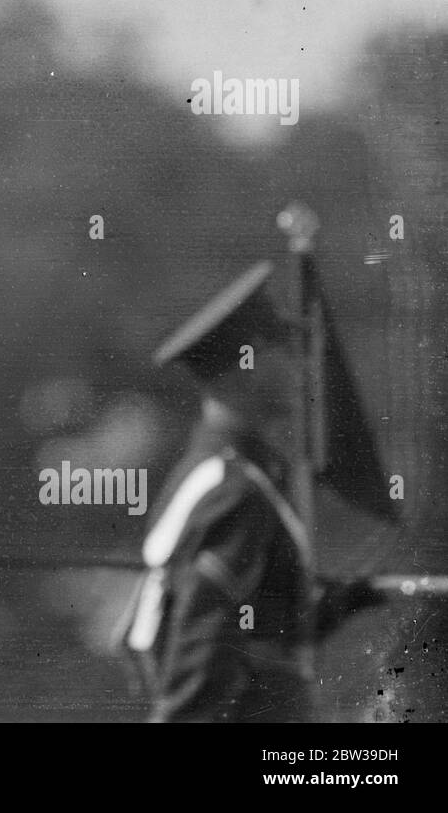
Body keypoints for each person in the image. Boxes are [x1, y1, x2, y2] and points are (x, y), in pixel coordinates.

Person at [126, 261, 380, 722]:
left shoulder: (212, 472)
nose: (304, 367)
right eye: (284, 349)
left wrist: (336, 604)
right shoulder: (235, 492)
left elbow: (256, 627)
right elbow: (201, 644)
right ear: (248, 361)